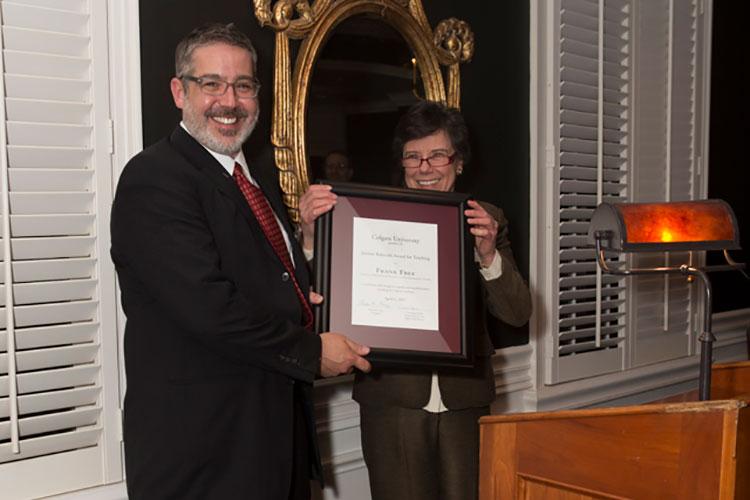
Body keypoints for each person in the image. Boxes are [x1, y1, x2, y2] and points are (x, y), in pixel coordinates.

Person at [110, 23, 371, 500]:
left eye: (243, 86)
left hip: (273, 440)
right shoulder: (154, 179)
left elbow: (268, 281)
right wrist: (315, 352)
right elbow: (209, 307)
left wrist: (307, 258)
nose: (229, 101)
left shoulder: (251, 177)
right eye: (211, 83)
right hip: (205, 454)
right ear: (178, 91)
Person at [298, 101, 532, 500]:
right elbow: (317, 298)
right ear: (402, 163)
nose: (425, 167)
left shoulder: (486, 218)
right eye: (413, 156)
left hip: (465, 398)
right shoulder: (367, 216)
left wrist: (489, 254)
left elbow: (517, 311)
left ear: (458, 162)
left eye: (437, 155)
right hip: (391, 398)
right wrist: (309, 236)